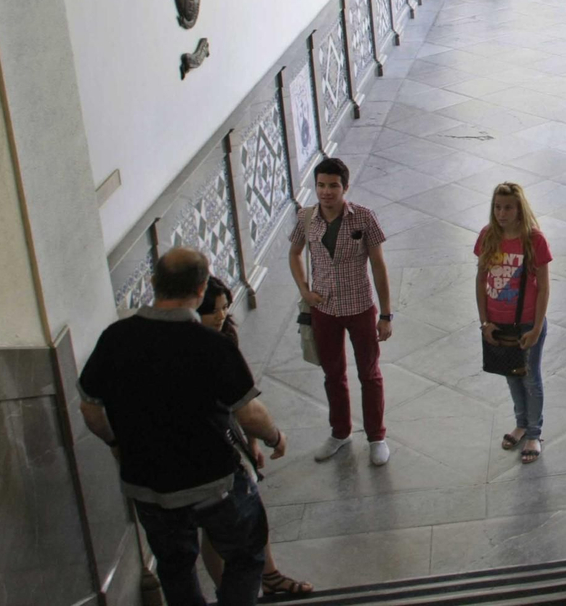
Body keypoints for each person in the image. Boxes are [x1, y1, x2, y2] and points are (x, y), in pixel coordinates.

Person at [78, 248, 288, 606]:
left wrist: (115, 442)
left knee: (175, 569)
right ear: (201, 287)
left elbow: (90, 409)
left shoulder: (115, 338)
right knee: (246, 555)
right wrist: (274, 436)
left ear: (153, 282)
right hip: (213, 483)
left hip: (147, 486)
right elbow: (249, 413)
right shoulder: (211, 346)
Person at [196, 277, 314, 599]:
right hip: (210, 452)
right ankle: (237, 591)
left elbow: (239, 401)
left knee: (240, 515)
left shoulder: (223, 340)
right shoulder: (199, 347)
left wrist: (252, 444)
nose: (221, 316)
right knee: (228, 524)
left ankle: (266, 578)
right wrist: (273, 436)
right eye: (213, 310)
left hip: (227, 440)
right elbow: (248, 410)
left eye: (224, 308)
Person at [287, 157, 394, 465]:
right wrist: (304, 289)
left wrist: (386, 315)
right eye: (321, 185)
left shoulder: (363, 217)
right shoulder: (307, 218)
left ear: (345, 187)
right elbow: (294, 253)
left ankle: (376, 436)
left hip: (360, 306)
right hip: (324, 309)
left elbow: (378, 265)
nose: (326, 192)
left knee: (369, 374)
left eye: (333, 186)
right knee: (332, 374)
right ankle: (340, 432)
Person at [475, 182, 552, 463]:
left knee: (530, 376)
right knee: (511, 374)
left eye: (508, 207)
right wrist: (485, 322)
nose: (501, 213)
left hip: (528, 322)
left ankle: (533, 431)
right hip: (499, 322)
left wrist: (536, 327)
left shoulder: (534, 240)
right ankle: (520, 423)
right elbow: (481, 279)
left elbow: (543, 287)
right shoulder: (488, 236)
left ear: (520, 209)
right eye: (497, 207)